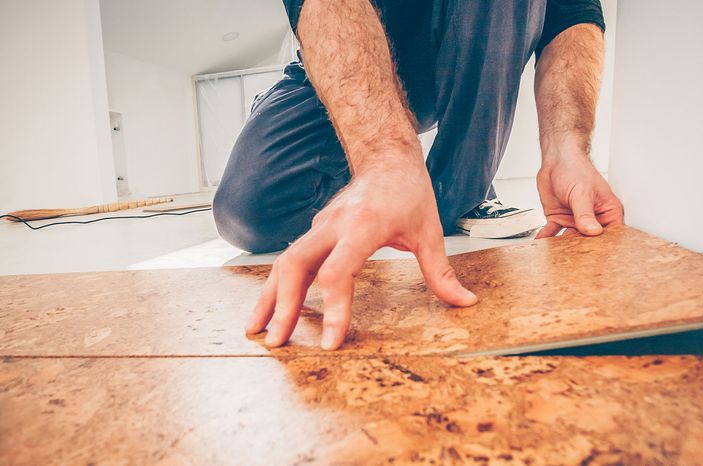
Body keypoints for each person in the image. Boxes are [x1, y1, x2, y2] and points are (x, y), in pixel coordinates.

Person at [213, 0, 625, 350]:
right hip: (347, 51)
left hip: (455, 51)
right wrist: (384, 159)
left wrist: (566, 148)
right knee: (248, 212)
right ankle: (373, 185)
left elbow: (572, 11)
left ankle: (459, 195)